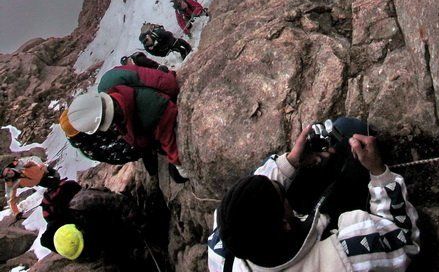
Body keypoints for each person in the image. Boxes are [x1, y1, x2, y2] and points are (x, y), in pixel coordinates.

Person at [207, 122, 419, 271]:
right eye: (280, 192)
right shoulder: (347, 253)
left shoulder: (223, 252)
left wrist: (291, 161)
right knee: (349, 131)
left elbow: (242, 206)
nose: (279, 184)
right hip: (335, 248)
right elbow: (404, 242)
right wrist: (379, 174)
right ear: (284, 224)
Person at [59, 62, 188, 182]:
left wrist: (177, 163)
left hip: (148, 128)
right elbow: (160, 81)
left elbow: (165, 134)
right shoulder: (109, 80)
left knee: (174, 174)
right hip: (146, 128)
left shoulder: (149, 112)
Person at [42, 186, 154, 270]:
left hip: (115, 218)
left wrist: (144, 228)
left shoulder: (86, 202)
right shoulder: (62, 244)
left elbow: (123, 203)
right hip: (105, 233)